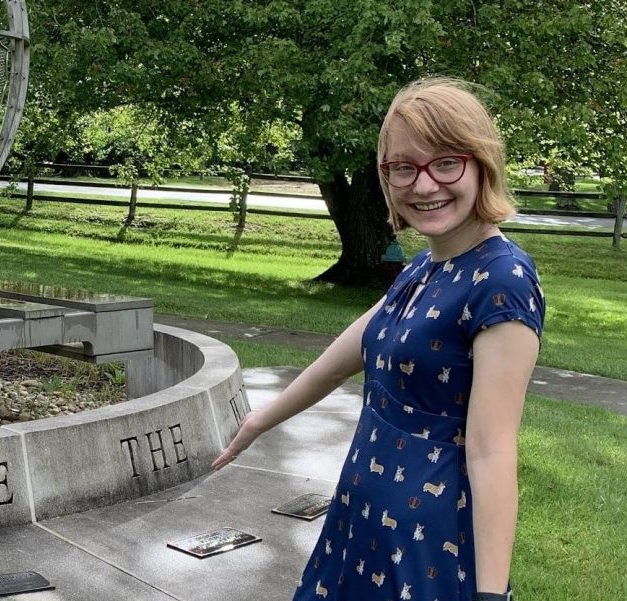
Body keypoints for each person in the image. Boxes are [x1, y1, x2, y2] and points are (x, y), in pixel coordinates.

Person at [212, 77, 545, 601]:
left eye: (446, 162)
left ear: (481, 163)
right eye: (403, 168)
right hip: (363, 522)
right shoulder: (423, 268)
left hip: (428, 548)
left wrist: (491, 595)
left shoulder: (502, 282)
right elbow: (340, 360)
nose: (424, 184)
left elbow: (491, 452)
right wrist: (260, 420)